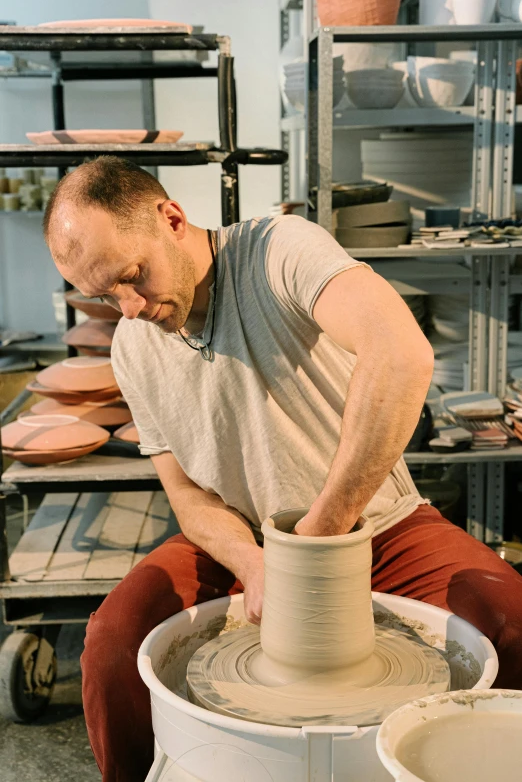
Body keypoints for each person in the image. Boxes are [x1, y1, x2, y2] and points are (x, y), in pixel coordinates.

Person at [44, 156, 522, 782]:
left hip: (378, 526)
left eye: (133, 276)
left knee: (510, 625)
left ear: (172, 218)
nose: (129, 306)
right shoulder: (133, 346)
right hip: (238, 544)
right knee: (111, 645)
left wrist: (317, 542)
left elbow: (402, 354)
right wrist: (256, 564)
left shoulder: (277, 250)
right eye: (103, 294)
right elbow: (187, 498)